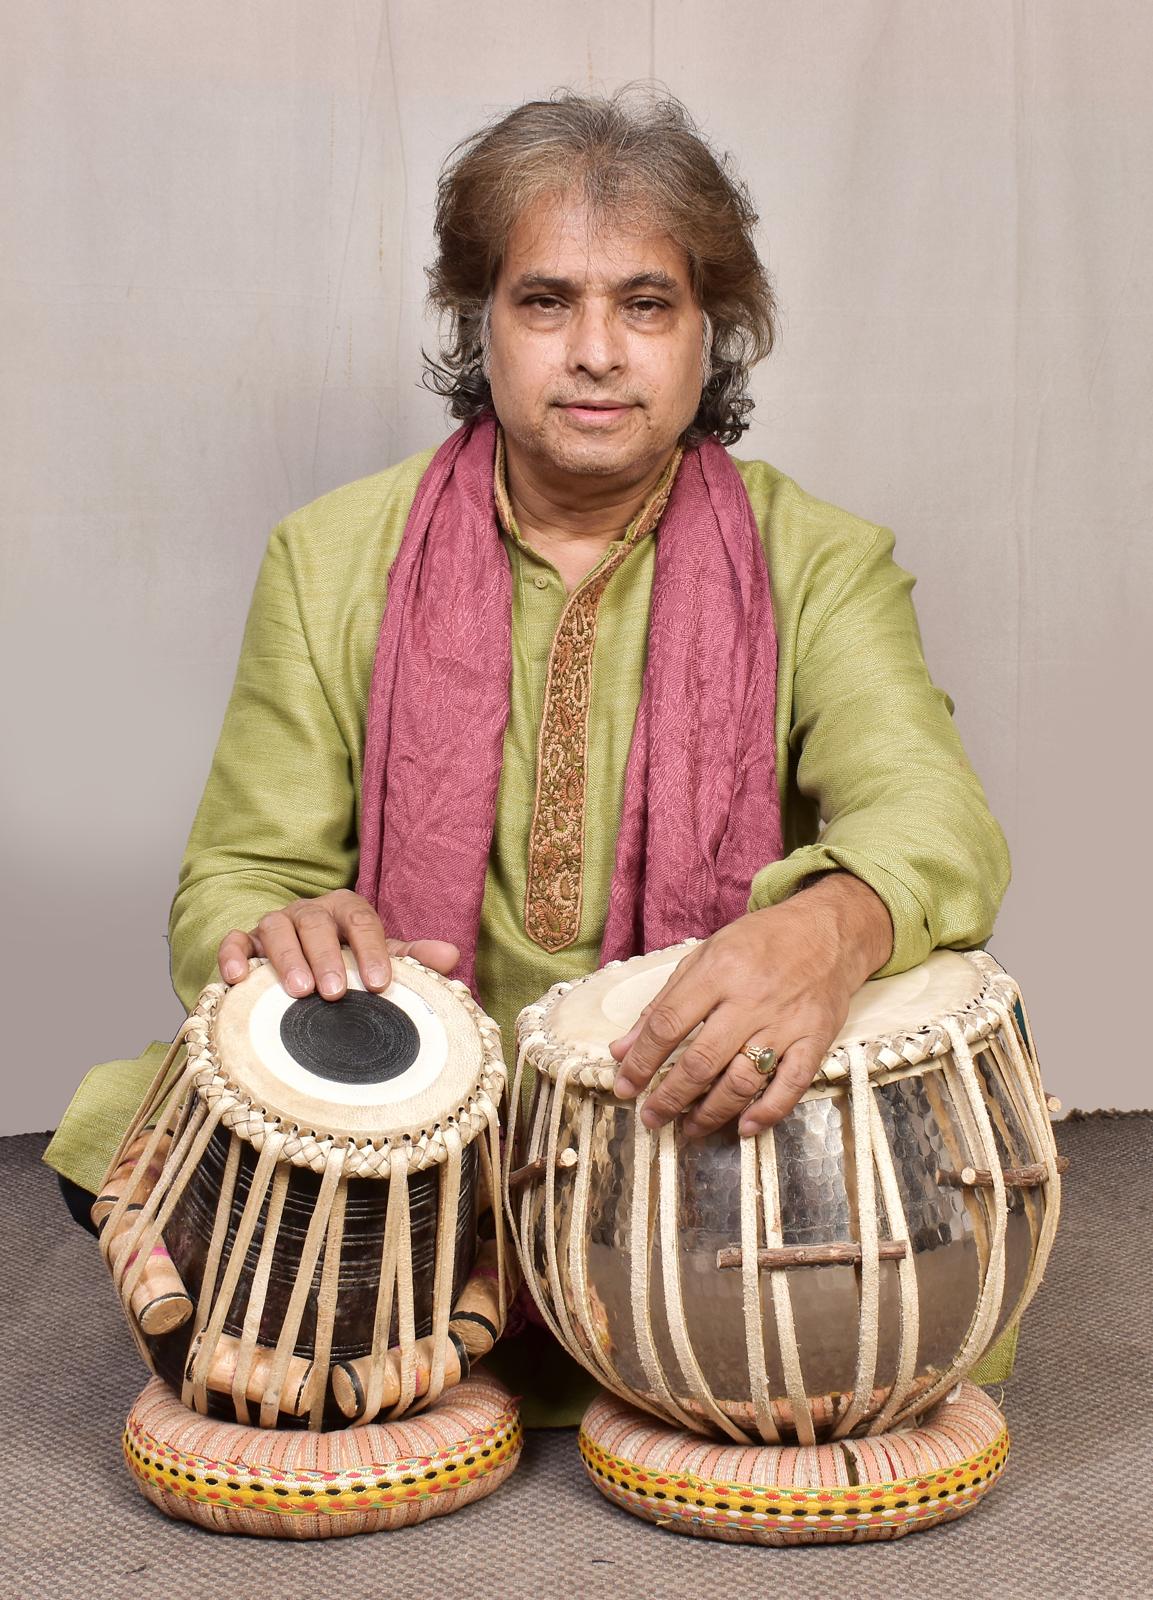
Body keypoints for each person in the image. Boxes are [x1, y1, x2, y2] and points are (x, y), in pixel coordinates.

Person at [46, 88, 1010, 1422]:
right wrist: (284, 930)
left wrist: (828, 930)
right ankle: (483, 1280)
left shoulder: (820, 563)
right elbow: (236, 875)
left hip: (691, 1109)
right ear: (479, 323)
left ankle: (469, 1320)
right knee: (134, 1119)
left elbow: (933, 820)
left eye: (647, 305)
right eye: (546, 302)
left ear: (711, 332)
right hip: (410, 1131)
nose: (597, 354)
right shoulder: (331, 557)